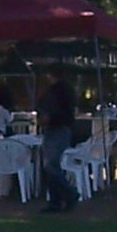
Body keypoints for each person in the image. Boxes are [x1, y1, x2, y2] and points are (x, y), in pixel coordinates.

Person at [37, 66, 77, 213]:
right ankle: (56, 200)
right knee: (51, 165)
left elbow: (61, 112)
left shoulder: (59, 91)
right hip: (58, 128)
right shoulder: (65, 90)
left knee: (50, 165)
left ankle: (68, 194)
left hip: (58, 129)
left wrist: (48, 118)